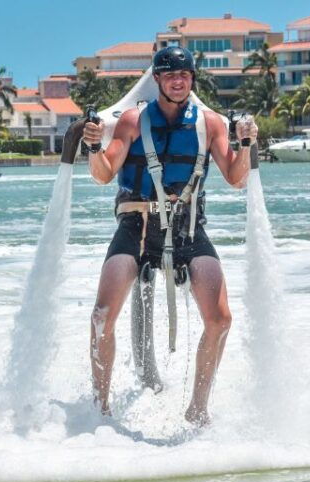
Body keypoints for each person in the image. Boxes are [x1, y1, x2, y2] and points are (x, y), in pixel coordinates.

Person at [82, 46, 257, 426]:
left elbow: (237, 178)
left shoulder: (210, 124)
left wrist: (245, 143)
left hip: (187, 228)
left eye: (185, 75)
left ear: (192, 79)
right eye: (170, 75)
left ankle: (197, 410)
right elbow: (103, 174)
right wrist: (94, 146)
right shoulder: (133, 120)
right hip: (137, 227)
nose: (178, 81)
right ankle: (100, 410)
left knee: (221, 319)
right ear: (157, 79)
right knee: (101, 317)